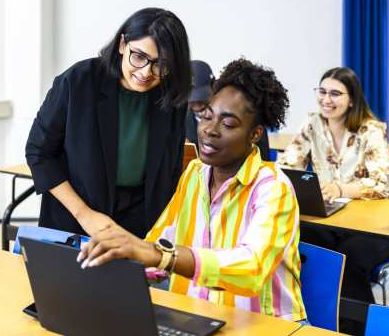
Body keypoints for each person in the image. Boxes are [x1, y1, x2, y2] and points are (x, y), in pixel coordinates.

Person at [76, 58, 306, 321]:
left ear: (255, 134)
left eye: (228, 124)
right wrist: (111, 264)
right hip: (201, 319)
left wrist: (160, 256)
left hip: (262, 326)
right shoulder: (195, 174)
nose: (210, 130)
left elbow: (251, 267)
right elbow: (160, 243)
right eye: (205, 116)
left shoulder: (273, 187)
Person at [25, 8, 191, 239]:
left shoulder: (171, 98)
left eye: (160, 64)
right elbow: (38, 153)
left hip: (140, 222)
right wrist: (84, 215)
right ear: (123, 44)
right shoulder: (78, 81)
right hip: (75, 217)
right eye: (139, 56)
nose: (146, 72)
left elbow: (168, 173)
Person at [277, 67, 389, 334]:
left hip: (371, 224)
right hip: (328, 218)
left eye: (335, 94)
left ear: (352, 99)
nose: (326, 99)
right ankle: (314, 323)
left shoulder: (371, 130)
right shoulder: (313, 124)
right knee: (300, 246)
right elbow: (287, 165)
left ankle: (358, 328)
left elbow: (384, 183)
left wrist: (340, 188)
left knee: (348, 260)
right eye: (322, 92)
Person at [186, 60, 272, 160]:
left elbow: (263, 159)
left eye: (228, 124)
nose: (197, 107)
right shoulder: (183, 120)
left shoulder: (245, 114)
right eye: (191, 102)